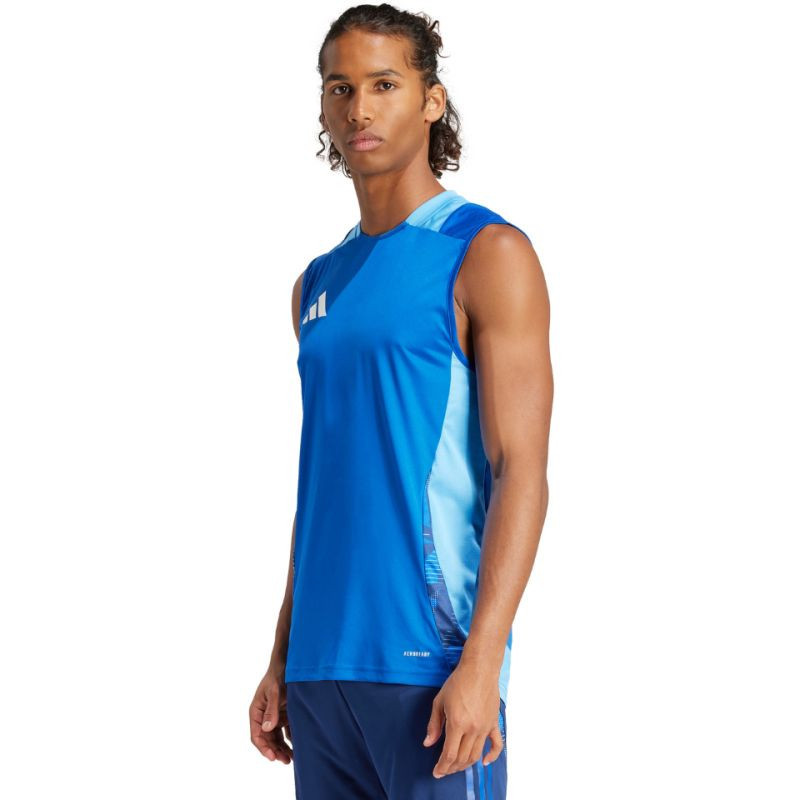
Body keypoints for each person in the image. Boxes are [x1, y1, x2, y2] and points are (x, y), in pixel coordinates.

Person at [249, 5, 552, 798]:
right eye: (340, 88)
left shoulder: (485, 252)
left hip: (431, 666)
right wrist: (283, 654)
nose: (360, 108)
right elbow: (325, 486)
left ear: (431, 100)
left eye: (384, 84)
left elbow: (520, 469)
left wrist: (482, 661)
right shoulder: (316, 284)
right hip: (321, 671)